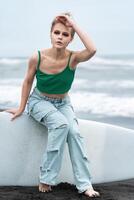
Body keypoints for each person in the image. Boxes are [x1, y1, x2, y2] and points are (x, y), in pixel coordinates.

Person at [6, 12, 100, 198]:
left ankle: (85, 184)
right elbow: (27, 82)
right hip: (39, 101)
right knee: (61, 124)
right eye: (57, 32)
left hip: (63, 103)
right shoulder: (37, 57)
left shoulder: (73, 58)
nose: (60, 37)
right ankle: (47, 177)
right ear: (50, 34)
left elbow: (92, 50)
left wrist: (73, 24)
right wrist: (21, 108)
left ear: (71, 39)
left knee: (74, 133)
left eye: (65, 34)